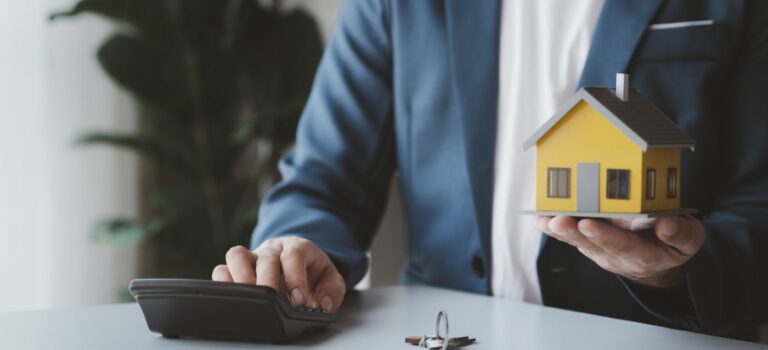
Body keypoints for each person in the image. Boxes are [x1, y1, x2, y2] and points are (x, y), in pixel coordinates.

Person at [211, 0, 768, 341]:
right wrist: (295, 247)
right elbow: (323, 175)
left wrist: (675, 275)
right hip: (441, 338)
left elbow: (758, 200)